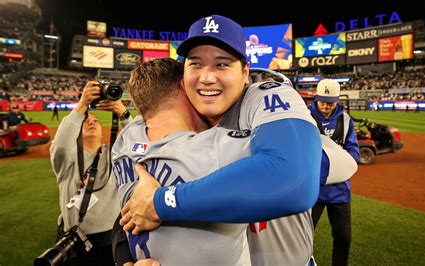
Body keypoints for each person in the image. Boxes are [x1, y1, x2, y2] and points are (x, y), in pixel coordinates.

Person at [117, 14, 324, 266]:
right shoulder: (152, 125)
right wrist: (126, 258)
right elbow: (131, 202)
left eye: (222, 64)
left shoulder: (263, 99)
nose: (206, 77)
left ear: (245, 72)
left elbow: (294, 180)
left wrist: (161, 202)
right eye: (195, 64)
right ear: (182, 77)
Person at [50, 81, 132, 265]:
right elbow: (62, 145)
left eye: (95, 120)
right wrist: (82, 106)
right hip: (73, 240)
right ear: (77, 131)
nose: (93, 122)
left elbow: (135, 146)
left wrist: (124, 115)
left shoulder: (114, 154)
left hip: (109, 239)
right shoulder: (68, 160)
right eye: (87, 121)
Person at [308, 79, 359, 266]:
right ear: (316, 99)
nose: (326, 106)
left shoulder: (346, 120)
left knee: (344, 238)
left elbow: (353, 149)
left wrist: (344, 166)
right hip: (313, 190)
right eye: (323, 102)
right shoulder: (305, 116)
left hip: (340, 191)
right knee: (303, 238)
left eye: (330, 102)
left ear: (337, 100)